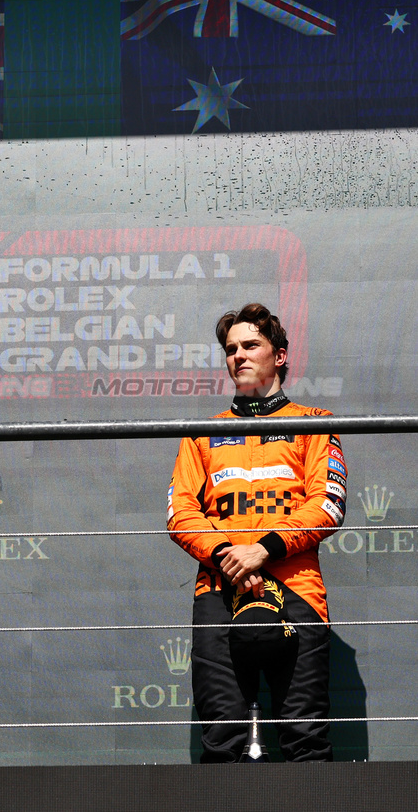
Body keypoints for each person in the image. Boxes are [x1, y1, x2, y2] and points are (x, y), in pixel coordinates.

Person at [167, 303, 345, 762]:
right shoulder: (200, 434)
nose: (238, 356)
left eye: (251, 345)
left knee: (307, 738)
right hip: (218, 588)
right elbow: (180, 513)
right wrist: (231, 555)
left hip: (297, 588)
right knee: (221, 741)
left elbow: (327, 504)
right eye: (230, 349)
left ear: (280, 356)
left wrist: (262, 550)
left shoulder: (315, 423)